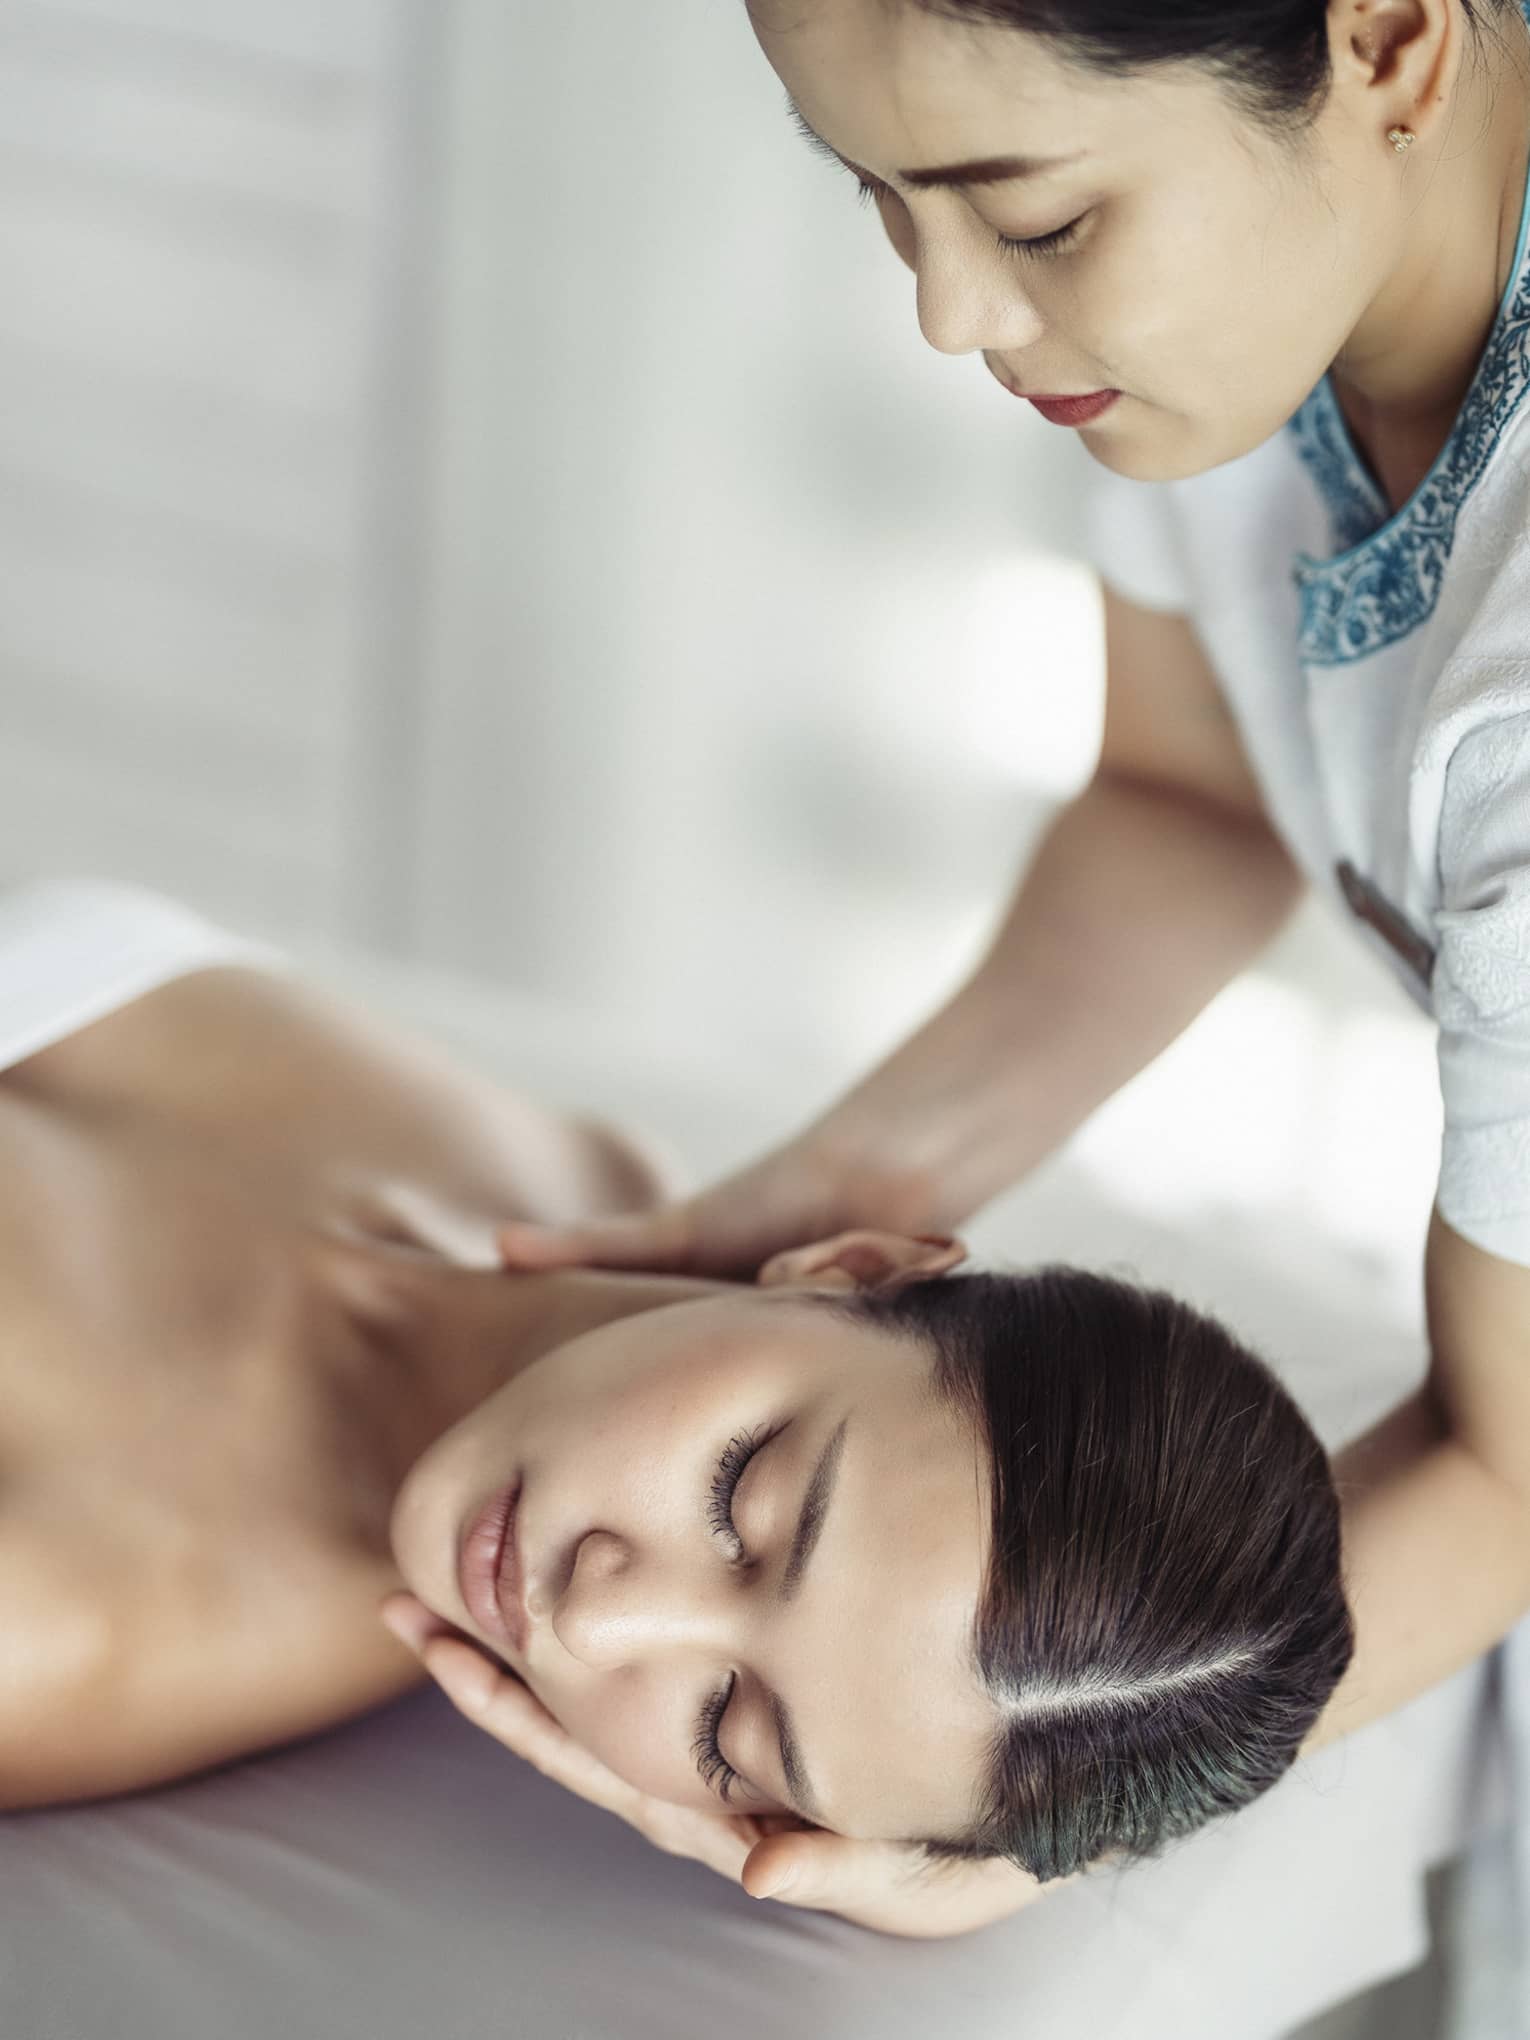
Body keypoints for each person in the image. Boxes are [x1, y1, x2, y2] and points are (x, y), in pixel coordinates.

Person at [401, 0, 1530, 1938]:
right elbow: (1187, 806)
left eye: (1038, 222)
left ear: (1392, 38)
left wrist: (1023, 1819)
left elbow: (1515, 1475)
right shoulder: (1236, 306)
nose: (951, 317)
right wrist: (853, 1183)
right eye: (878, 193)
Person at [0, 879, 1352, 1942]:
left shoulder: (69, 1627)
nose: (596, 1614)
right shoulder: (576, 1165)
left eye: (723, 1729)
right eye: (742, 1495)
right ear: (855, 1265)